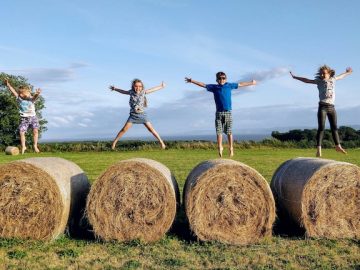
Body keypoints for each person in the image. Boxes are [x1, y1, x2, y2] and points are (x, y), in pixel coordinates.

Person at [185, 72, 256, 157]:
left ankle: (231, 148)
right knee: (219, 131)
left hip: (228, 112)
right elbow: (203, 84)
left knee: (229, 131)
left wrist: (251, 83)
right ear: (217, 80)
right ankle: (220, 147)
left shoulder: (229, 85)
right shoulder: (214, 87)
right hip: (219, 113)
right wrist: (192, 81)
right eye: (220, 78)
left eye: (223, 78)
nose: (222, 80)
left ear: (226, 79)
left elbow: (241, 84)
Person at [290, 65, 353, 157]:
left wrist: (348, 72)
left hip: (332, 107)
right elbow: (306, 80)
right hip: (322, 106)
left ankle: (338, 146)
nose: (322, 75)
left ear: (329, 73)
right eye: (321, 74)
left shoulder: (333, 79)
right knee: (321, 128)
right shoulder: (318, 81)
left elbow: (341, 76)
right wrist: (295, 77)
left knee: (334, 128)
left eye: (324, 73)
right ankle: (319, 149)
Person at [109, 79, 166, 150]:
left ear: (142, 87)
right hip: (133, 115)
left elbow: (153, 89)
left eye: (140, 86)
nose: (138, 88)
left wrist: (161, 86)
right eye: (136, 86)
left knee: (151, 129)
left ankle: (162, 143)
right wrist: (115, 89)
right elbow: (123, 91)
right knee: (124, 129)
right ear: (133, 86)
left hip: (142, 114)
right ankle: (114, 143)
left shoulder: (143, 92)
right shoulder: (131, 92)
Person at [4, 79, 42, 154]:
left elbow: (35, 97)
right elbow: (13, 91)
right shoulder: (19, 99)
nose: (21, 95)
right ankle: (24, 146)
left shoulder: (31, 99)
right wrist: (8, 85)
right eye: (20, 93)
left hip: (33, 117)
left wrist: (37, 93)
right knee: (21, 132)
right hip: (24, 119)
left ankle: (35, 146)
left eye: (22, 93)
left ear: (27, 93)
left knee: (35, 131)